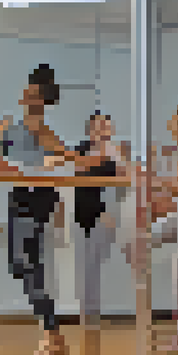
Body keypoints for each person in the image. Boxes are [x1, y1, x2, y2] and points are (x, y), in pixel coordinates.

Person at [0, 64, 92, 355]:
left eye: (31, 93)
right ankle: (51, 330)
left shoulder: (42, 130)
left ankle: (51, 332)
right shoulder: (9, 126)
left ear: (40, 101)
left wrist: (48, 164)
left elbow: (70, 158)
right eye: (25, 91)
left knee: (28, 262)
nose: (25, 95)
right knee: (20, 265)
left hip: (38, 195)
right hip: (20, 193)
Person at [123, 106, 178, 352]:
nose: (172, 131)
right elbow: (171, 189)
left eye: (176, 127)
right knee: (139, 243)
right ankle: (154, 320)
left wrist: (149, 179)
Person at [71, 111, 130, 329]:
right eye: (97, 127)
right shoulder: (81, 150)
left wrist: (114, 155)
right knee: (83, 265)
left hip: (104, 214)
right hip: (81, 213)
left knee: (95, 263)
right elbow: (80, 169)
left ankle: (92, 313)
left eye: (106, 127)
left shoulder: (115, 152)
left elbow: (125, 179)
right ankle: (84, 313)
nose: (102, 131)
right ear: (90, 130)